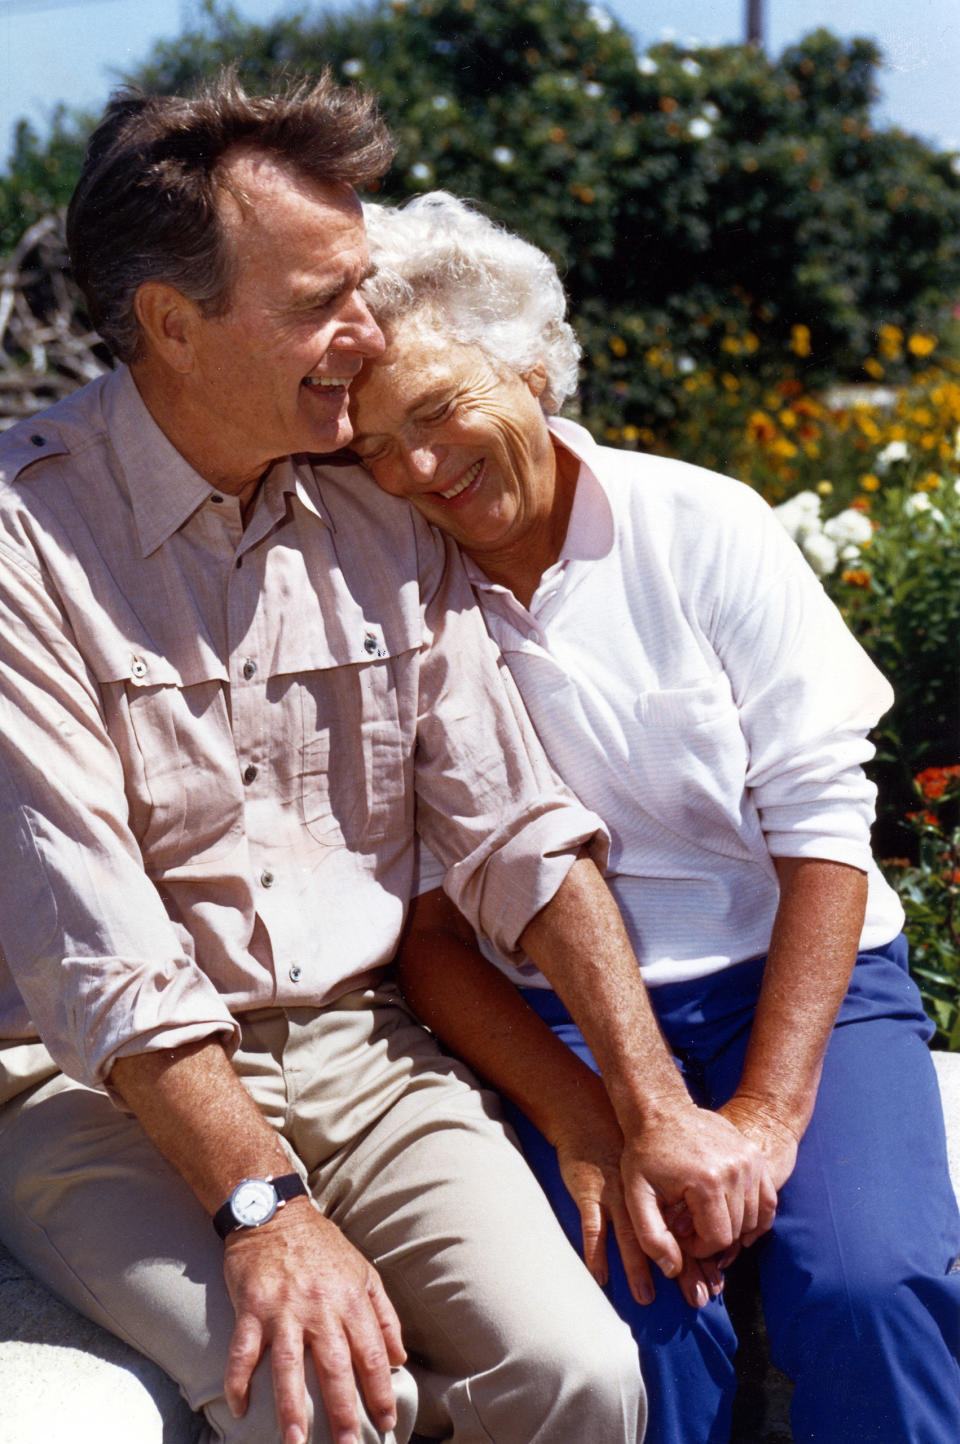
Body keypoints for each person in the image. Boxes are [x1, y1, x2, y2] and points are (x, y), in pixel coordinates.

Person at [0, 71, 698, 1444]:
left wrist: (648, 1102)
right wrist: (264, 1205)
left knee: (583, 1377)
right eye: (323, 303)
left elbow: (519, 832)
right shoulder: (24, 541)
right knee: (317, 1407)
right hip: (95, 1093)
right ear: (171, 325)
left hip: (365, 1053)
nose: (366, 335)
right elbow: (93, 939)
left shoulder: (375, 515)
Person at [348, 190, 960, 1444]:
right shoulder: (383, 598)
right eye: (371, 446)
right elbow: (422, 932)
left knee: (869, 1284)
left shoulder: (702, 524)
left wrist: (766, 1124)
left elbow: (825, 829)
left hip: (799, 983)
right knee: (633, 1316)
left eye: (441, 409)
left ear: (532, 369)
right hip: (551, 1021)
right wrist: (595, 1116)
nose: (416, 469)